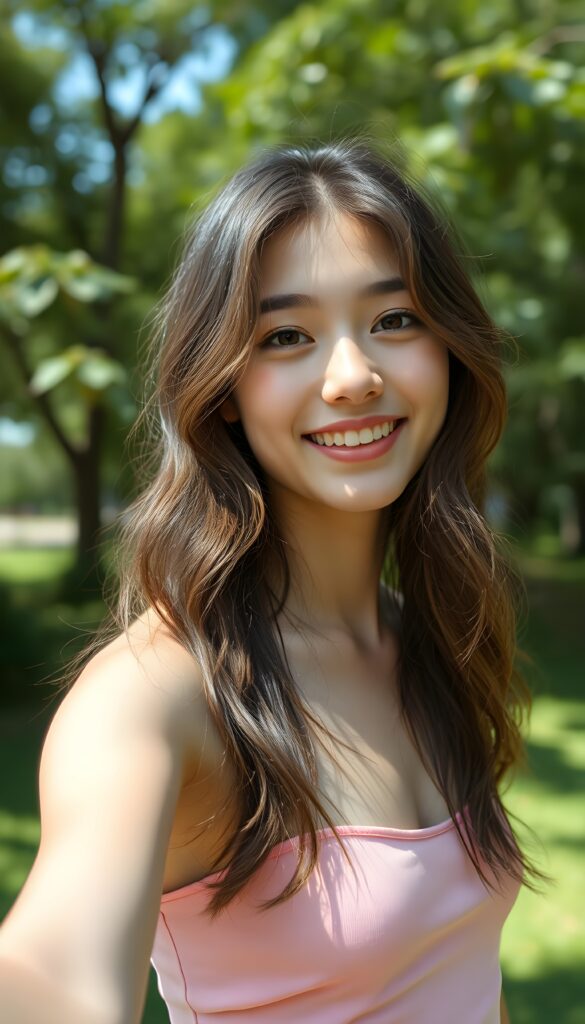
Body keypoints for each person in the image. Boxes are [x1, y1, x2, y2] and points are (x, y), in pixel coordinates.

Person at [0, 139, 542, 1023]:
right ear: (220, 389)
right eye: (285, 336)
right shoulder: (159, 697)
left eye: (394, 319)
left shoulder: (428, 641)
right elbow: (50, 978)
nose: (353, 376)